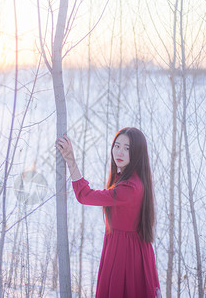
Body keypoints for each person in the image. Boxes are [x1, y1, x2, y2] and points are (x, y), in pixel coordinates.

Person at [56, 127, 161, 298]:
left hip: (124, 255)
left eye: (127, 148)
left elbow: (85, 195)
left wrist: (70, 160)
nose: (119, 152)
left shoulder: (130, 187)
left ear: (137, 152)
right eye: (117, 146)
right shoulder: (131, 178)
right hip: (129, 249)